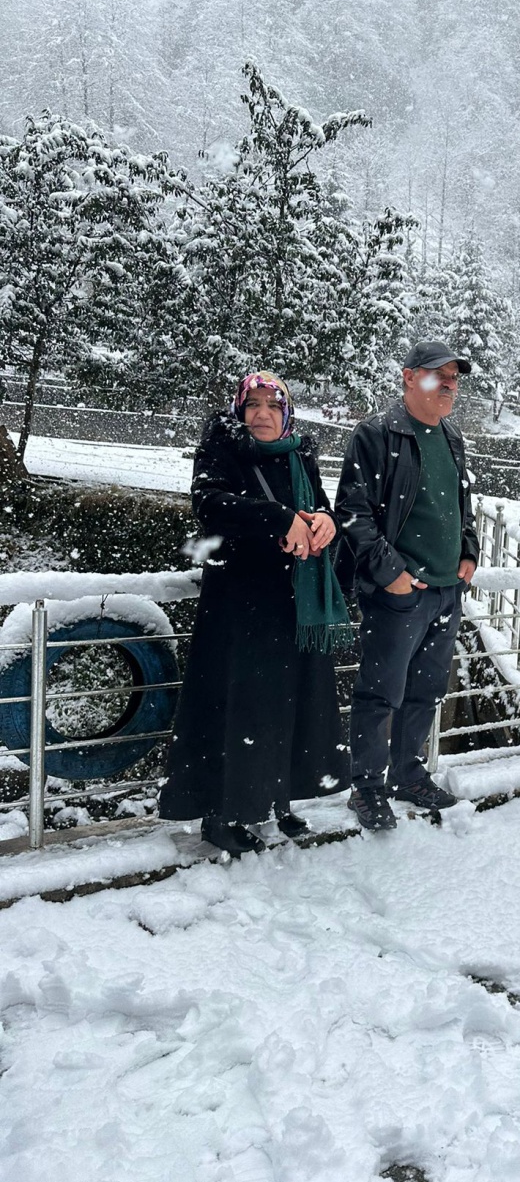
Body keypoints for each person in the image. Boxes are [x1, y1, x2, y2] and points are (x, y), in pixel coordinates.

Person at [160, 372, 352, 856]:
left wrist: (325, 521)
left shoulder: (299, 452)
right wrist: (280, 519)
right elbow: (210, 506)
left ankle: (277, 800)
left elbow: (322, 507)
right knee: (240, 706)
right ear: (239, 410)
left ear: (287, 412)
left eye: (273, 405)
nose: (263, 413)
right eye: (253, 405)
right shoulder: (223, 448)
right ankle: (223, 814)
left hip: (294, 603)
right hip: (241, 605)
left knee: (288, 704)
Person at [336, 339, 479, 831]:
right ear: (409, 377)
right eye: (438, 375)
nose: (448, 386)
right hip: (400, 594)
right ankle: (368, 787)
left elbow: (462, 506)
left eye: (454, 379)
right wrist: (392, 575)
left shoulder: (452, 437)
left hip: (445, 590)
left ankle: (407, 775)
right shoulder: (376, 434)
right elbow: (354, 515)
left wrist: (469, 550)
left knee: (426, 689)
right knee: (381, 692)